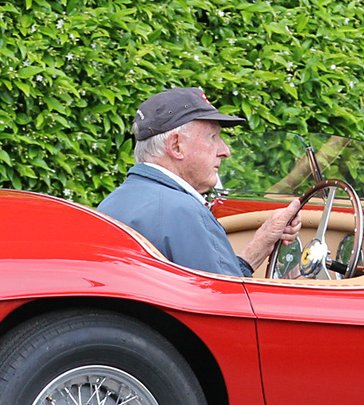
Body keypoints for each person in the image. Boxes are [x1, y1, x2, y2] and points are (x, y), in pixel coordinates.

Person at [97, 87, 303, 278]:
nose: (225, 151)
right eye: (213, 137)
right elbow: (226, 302)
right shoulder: (182, 210)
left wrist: (262, 243)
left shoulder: (112, 203)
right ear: (176, 146)